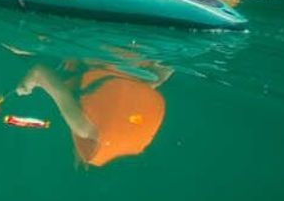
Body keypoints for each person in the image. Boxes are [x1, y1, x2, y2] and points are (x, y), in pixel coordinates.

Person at [15, 58, 170, 166]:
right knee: (18, 49)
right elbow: (39, 73)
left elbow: (158, 76)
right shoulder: (84, 129)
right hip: (101, 51)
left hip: (141, 59)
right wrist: (26, 85)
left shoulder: (141, 139)